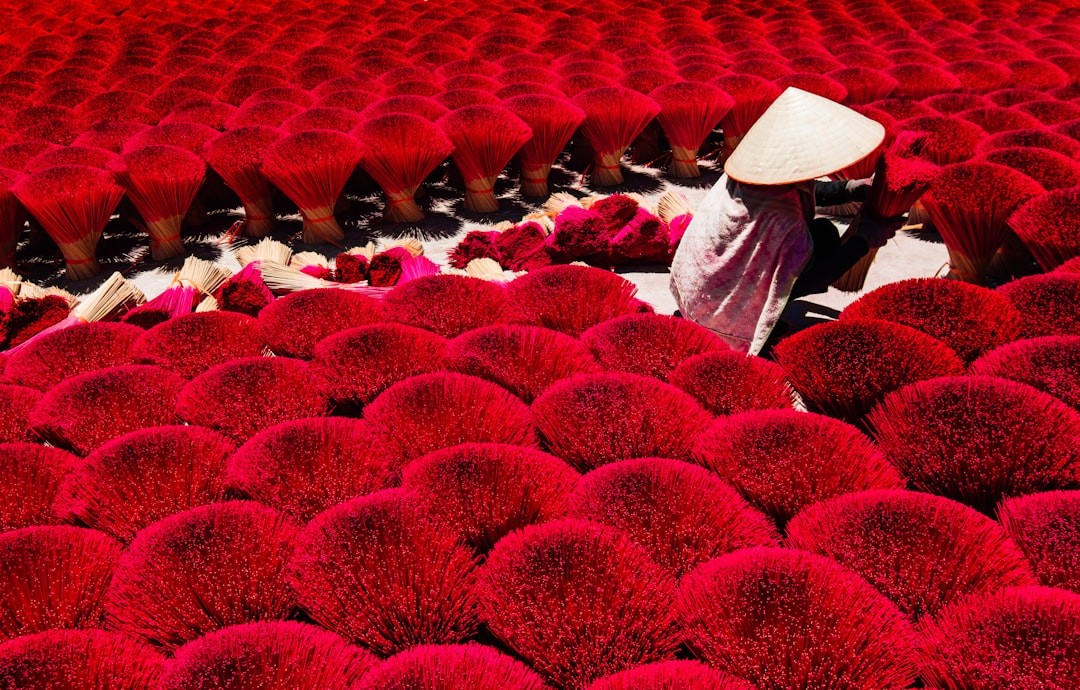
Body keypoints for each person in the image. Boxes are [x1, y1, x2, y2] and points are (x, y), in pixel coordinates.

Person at [670, 87, 904, 354]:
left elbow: (805, 189)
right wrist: (866, 238)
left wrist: (850, 188)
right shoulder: (784, 219)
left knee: (822, 233)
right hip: (724, 318)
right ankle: (753, 326)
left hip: (698, 293)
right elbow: (815, 278)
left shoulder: (747, 176)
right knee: (822, 243)